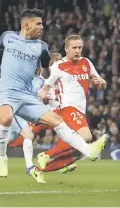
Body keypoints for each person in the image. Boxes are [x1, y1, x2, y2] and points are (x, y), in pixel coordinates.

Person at [0, 8, 108, 179]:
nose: (42, 27)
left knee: (56, 120)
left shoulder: (41, 46)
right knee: (6, 119)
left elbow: (45, 72)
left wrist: (47, 64)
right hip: (6, 91)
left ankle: (89, 151)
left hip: (27, 96)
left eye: (42, 23)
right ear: (26, 25)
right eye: (38, 24)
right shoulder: (9, 37)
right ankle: (2, 158)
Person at [36, 34, 107, 174]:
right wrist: (43, 95)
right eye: (74, 47)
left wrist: (102, 83)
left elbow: (99, 81)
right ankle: (46, 155)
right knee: (86, 137)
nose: (77, 50)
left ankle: (39, 170)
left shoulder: (86, 62)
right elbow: (43, 89)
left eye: (80, 47)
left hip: (81, 111)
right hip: (67, 108)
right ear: (66, 49)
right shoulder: (58, 66)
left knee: (79, 151)